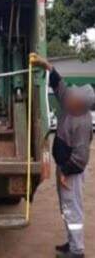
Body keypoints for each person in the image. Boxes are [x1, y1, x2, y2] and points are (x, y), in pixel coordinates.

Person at [30, 53, 94, 258]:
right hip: (64, 167)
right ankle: (71, 243)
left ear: (82, 106)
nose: (69, 100)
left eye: (74, 100)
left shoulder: (82, 123)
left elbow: (81, 158)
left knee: (72, 209)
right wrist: (45, 64)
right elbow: (58, 82)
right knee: (66, 207)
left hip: (72, 172)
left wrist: (65, 173)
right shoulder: (69, 101)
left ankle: (77, 251)